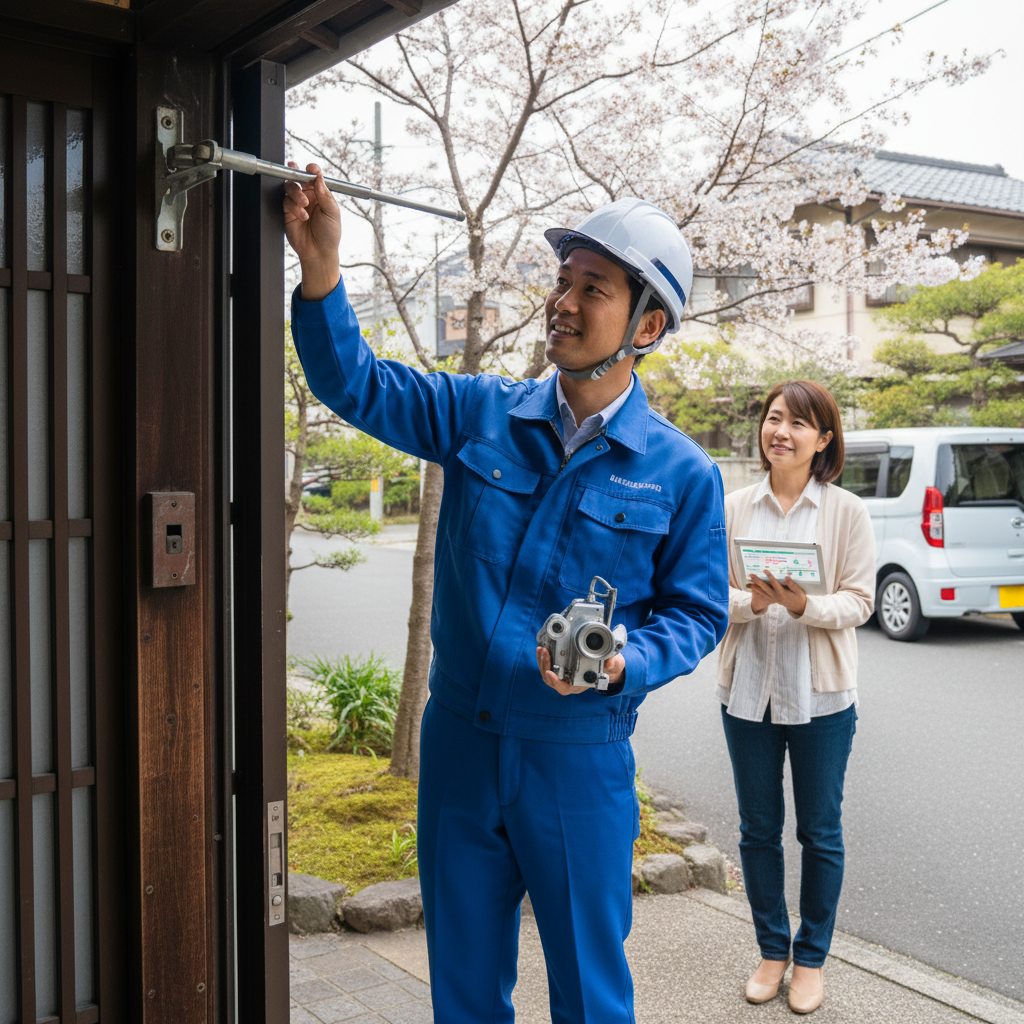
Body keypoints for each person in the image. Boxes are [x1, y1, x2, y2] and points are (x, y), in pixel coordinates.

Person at [283, 166, 729, 1023]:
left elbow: (699, 613)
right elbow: (355, 384)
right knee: (462, 990)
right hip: (458, 743)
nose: (563, 302)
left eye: (593, 288)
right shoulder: (479, 413)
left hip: (578, 754)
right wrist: (322, 268)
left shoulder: (683, 472)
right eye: (564, 280)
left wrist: (626, 659)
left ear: (648, 326)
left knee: (590, 997)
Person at [717, 380, 875, 1014]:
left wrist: (805, 605)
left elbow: (860, 601)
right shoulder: (733, 507)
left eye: (798, 423)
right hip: (746, 692)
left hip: (823, 698)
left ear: (824, 439)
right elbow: (709, 593)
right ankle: (771, 951)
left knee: (820, 832)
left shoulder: (847, 512)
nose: (780, 432)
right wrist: (752, 604)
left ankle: (810, 960)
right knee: (757, 830)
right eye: (774, 418)